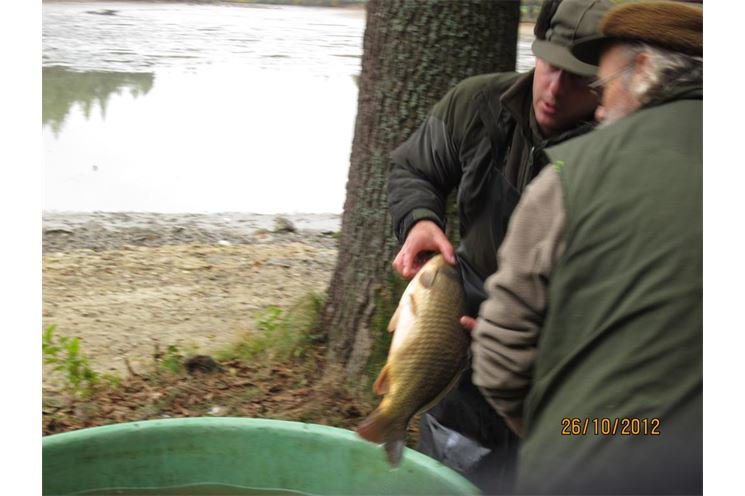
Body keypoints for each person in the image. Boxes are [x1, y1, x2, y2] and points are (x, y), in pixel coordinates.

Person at [468, 1, 703, 493]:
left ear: (642, 70)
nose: (598, 108)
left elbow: (498, 360)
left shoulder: (572, 173)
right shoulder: (475, 105)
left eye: (601, 85)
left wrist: (567, 437)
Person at [387, 0, 612, 491]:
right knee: (451, 474)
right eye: (550, 66)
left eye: (577, 79)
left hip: (563, 365)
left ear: (606, 82)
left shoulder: (620, 156)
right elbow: (414, 169)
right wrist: (419, 221)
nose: (553, 90)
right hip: (456, 335)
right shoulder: (476, 104)